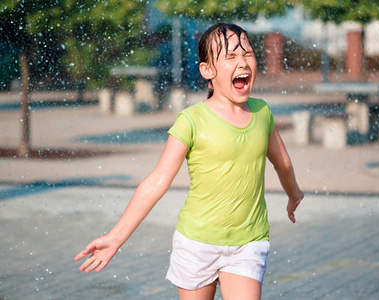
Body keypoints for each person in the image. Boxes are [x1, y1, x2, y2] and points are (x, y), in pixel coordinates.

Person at [74, 23, 304, 300]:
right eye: (230, 57)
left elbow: (283, 163)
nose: (242, 63)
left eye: (248, 55)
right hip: (197, 243)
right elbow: (157, 181)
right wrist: (115, 237)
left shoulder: (262, 112)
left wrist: (294, 194)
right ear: (208, 70)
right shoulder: (192, 120)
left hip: (248, 242)